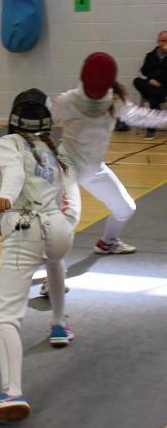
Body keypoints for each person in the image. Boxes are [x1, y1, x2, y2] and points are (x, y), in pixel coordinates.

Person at [0, 89, 74, 427]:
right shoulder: (56, 149)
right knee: (54, 261)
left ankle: (12, 393)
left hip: (26, 229)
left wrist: (4, 197)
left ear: (13, 118)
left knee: (6, 317)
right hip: (60, 232)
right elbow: (68, 191)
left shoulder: (8, 144)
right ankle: (59, 324)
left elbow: (14, 173)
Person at [39, 52, 167, 297]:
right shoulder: (67, 100)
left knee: (126, 208)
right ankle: (52, 277)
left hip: (94, 168)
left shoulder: (115, 102)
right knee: (69, 219)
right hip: (68, 166)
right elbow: (45, 123)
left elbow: (143, 116)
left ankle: (107, 243)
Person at [133, 31, 167, 140]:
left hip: (164, 86)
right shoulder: (150, 56)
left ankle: (151, 130)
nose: (164, 43)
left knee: (153, 97)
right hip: (151, 86)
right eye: (162, 41)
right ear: (158, 41)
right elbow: (142, 73)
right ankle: (159, 94)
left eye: (166, 41)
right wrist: (150, 80)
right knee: (137, 81)